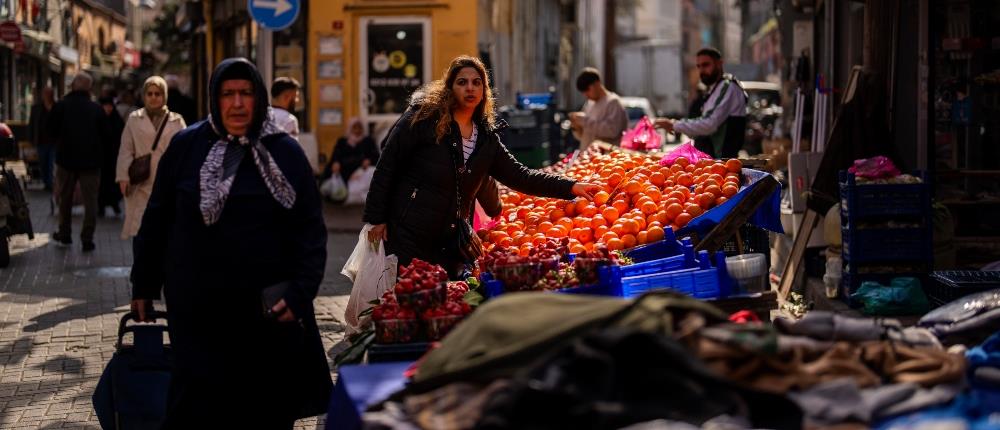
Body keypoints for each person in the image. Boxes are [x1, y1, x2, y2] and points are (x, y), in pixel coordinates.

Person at [129, 58, 330, 428]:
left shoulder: (285, 152)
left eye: (246, 93)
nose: (237, 103)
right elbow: (156, 219)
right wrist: (143, 283)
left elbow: (310, 231)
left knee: (265, 410)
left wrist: (302, 292)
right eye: (227, 94)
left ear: (260, 98)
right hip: (199, 313)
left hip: (268, 313)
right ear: (214, 98)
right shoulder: (187, 147)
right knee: (200, 410)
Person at [364, 55, 600, 277]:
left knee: (441, 304)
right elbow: (387, 165)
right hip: (409, 231)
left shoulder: (486, 138)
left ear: (484, 91)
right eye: (462, 82)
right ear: (450, 88)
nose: (470, 88)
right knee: (405, 302)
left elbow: (521, 176)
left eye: (477, 82)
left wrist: (571, 187)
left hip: (450, 239)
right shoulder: (423, 120)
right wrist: (376, 218)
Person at [115, 76, 186, 239]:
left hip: (167, 181)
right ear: (144, 96)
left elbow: (185, 151)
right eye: (150, 94)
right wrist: (123, 177)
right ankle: (141, 263)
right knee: (140, 230)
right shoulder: (134, 119)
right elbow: (126, 148)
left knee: (164, 229)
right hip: (141, 181)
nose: (153, 97)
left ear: (164, 96)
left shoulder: (176, 121)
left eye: (158, 94)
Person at [48, 72, 110, 252]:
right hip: (91, 162)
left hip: (66, 160)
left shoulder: (61, 106)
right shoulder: (96, 109)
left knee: (65, 199)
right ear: (89, 89)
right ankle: (87, 238)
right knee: (91, 201)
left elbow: (50, 130)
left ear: (73, 86)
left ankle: (65, 233)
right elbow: (107, 136)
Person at [655, 47, 748, 158]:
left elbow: (709, 124)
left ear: (719, 63)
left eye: (706, 65)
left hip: (722, 161)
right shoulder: (714, 88)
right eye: (699, 66)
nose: (701, 70)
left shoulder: (727, 87)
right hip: (712, 162)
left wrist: (674, 124)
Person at [569, 67, 629, 152]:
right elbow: (584, 135)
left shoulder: (613, 102)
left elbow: (612, 131)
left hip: (606, 159)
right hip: (587, 157)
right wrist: (576, 126)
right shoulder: (589, 103)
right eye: (583, 92)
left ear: (597, 83)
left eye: (587, 90)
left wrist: (585, 121)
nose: (586, 95)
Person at [324, 117, 378, 185]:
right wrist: (336, 162)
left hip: (362, 173)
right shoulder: (342, 142)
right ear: (350, 128)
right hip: (344, 173)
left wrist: (369, 160)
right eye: (354, 128)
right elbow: (335, 155)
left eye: (360, 128)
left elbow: (376, 156)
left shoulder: (368, 141)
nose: (357, 131)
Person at [98, 96, 125, 216]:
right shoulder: (98, 119)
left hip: (114, 158)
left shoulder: (117, 119)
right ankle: (101, 207)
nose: (108, 109)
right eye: (106, 106)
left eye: (110, 106)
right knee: (101, 184)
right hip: (101, 159)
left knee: (114, 183)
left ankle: (115, 204)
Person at [28, 86, 57, 190]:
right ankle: (46, 182)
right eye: (45, 93)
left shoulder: (57, 107)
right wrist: (31, 140)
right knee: (43, 163)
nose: (47, 95)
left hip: (54, 142)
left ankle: (50, 184)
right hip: (41, 141)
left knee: (51, 164)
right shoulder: (36, 108)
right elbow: (32, 125)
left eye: (49, 93)